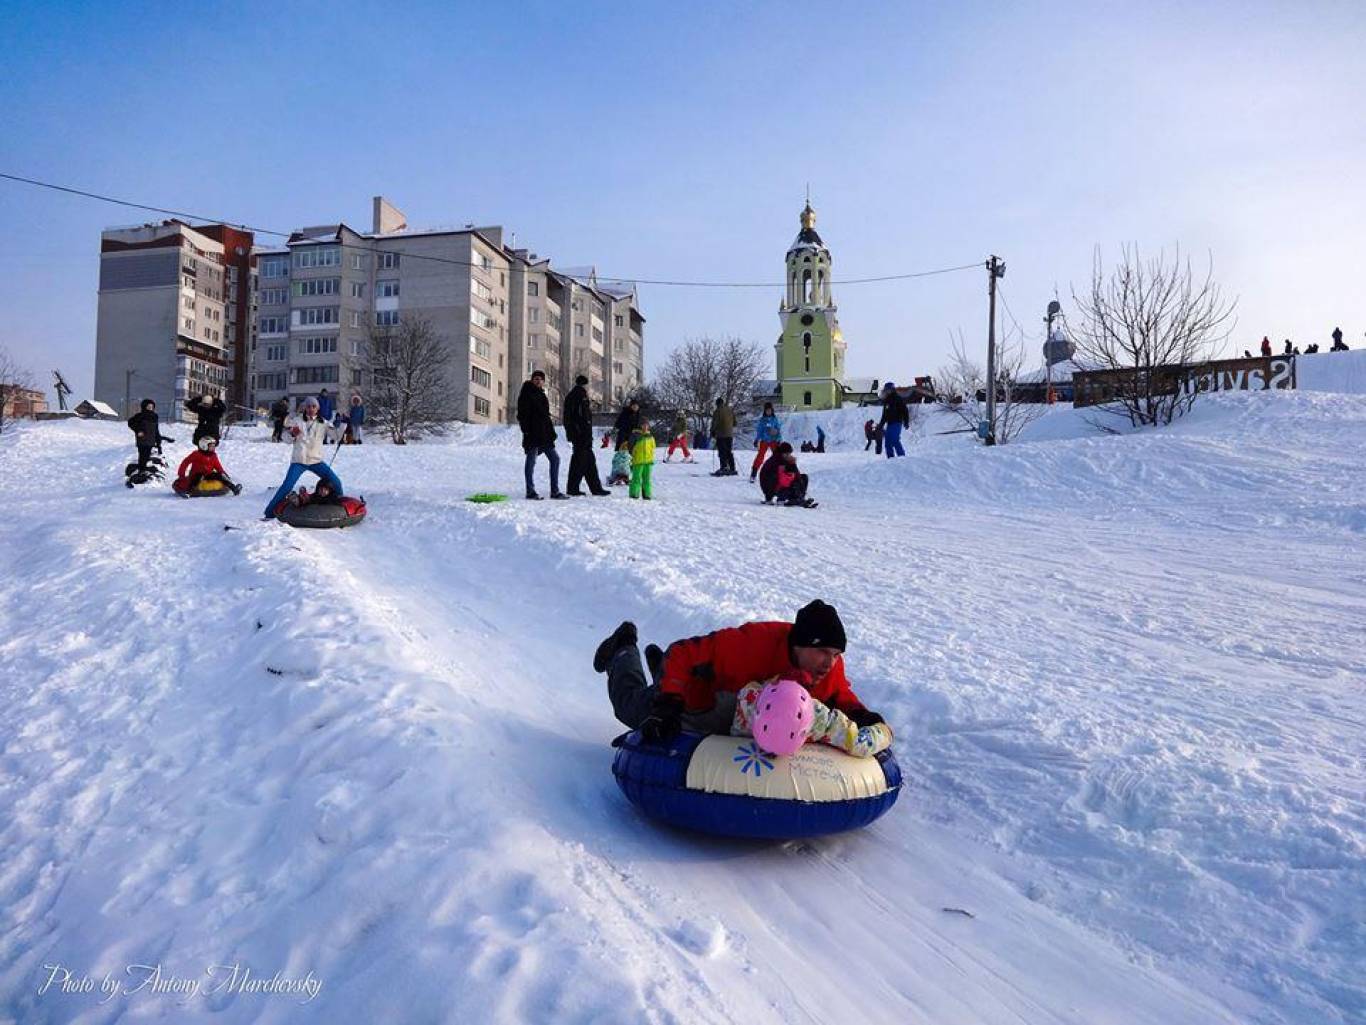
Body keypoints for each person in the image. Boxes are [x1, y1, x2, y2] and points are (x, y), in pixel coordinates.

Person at [592, 600, 889, 746]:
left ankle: (660, 669)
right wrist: (668, 702)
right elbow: (685, 652)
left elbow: (840, 695)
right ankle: (624, 647)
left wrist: (862, 716)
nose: (830, 663)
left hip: (730, 704)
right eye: (823, 652)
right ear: (800, 645)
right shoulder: (751, 644)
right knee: (630, 707)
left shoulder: (826, 670)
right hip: (698, 694)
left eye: (836, 655)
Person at [262, 396, 344, 519]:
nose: (311, 409)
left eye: (313, 406)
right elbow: (285, 439)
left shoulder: (323, 423)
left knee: (336, 483)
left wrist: (341, 423)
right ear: (305, 408)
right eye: (308, 406)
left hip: (316, 461)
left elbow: (336, 436)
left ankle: (341, 508)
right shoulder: (297, 421)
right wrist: (291, 434)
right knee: (286, 487)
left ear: (318, 408)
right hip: (299, 461)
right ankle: (269, 513)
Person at [516, 370, 566, 500]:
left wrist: (551, 433)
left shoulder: (542, 395)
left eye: (540, 379)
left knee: (555, 459)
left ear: (543, 381)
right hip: (532, 434)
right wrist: (526, 431)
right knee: (531, 461)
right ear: (532, 380)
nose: (538, 381)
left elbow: (545, 417)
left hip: (544, 435)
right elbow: (522, 414)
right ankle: (530, 491)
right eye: (536, 379)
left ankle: (555, 491)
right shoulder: (526, 394)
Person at [563, 374, 610, 496]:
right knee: (580, 461)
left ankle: (595, 488)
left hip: (583, 435)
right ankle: (574, 488)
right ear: (584, 385)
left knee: (589, 461)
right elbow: (574, 418)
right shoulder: (578, 396)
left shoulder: (577, 395)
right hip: (581, 435)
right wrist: (577, 432)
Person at [173, 436, 241, 495]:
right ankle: (188, 492)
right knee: (199, 477)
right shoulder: (196, 454)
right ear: (204, 446)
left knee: (219, 475)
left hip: (208, 474)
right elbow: (185, 463)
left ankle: (234, 488)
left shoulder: (213, 455)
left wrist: (225, 475)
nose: (213, 448)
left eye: (214, 446)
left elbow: (218, 467)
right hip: (196, 474)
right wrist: (181, 475)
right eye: (211, 446)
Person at [759, 442, 816, 508]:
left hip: (779, 485)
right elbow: (783, 479)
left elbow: (796, 476)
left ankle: (799, 498)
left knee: (803, 477)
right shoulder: (776, 460)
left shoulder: (783, 459)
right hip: (771, 488)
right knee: (793, 481)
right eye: (786, 453)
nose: (788, 455)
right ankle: (793, 498)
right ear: (782, 452)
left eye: (789, 453)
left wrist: (793, 464)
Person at [126, 398, 173, 474]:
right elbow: (130, 423)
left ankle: (143, 471)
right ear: (144, 407)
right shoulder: (140, 416)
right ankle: (141, 472)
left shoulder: (154, 416)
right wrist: (138, 431)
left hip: (151, 440)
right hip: (142, 440)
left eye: (152, 406)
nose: (150, 408)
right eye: (148, 406)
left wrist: (158, 443)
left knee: (146, 456)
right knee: (142, 456)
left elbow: (156, 430)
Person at [751, 401, 782, 481]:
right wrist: (757, 439)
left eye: (770, 410)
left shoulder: (774, 419)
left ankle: (779, 474)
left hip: (773, 440)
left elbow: (778, 430)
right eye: (767, 410)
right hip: (764, 440)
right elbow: (759, 431)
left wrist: (779, 439)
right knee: (760, 456)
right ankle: (753, 473)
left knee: (777, 457)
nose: (768, 411)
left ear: (772, 410)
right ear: (765, 411)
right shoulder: (762, 420)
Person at [879, 382, 910, 458]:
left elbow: (905, 411)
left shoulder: (897, 398)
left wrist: (906, 422)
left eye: (888, 390)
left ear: (892, 389)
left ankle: (902, 457)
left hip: (897, 423)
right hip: (890, 424)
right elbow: (884, 415)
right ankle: (890, 459)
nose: (887, 391)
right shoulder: (887, 401)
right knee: (887, 442)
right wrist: (881, 425)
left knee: (894, 440)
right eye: (886, 390)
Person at [628, 417, 656, 500]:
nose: (645, 427)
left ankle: (647, 494)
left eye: (647, 425)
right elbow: (630, 447)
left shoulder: (650, 436)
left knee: (647, 479)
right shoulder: (635, 435)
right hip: (638, 461)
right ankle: (634, 493)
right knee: (636, 478)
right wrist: (633, 455)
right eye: (643, 425)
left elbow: (653, 447)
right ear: (640, 426)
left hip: (648, 461)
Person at [710, 397, 737, 476]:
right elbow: (735, 423)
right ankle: (732, 468)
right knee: (729, 451)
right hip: (729, 435)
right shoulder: (730, 410)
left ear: (717, 404)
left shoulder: (717, 411)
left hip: (721, 435)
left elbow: (715, 422)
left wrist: (712, 431)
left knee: (722, 452)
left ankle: (724, 467)